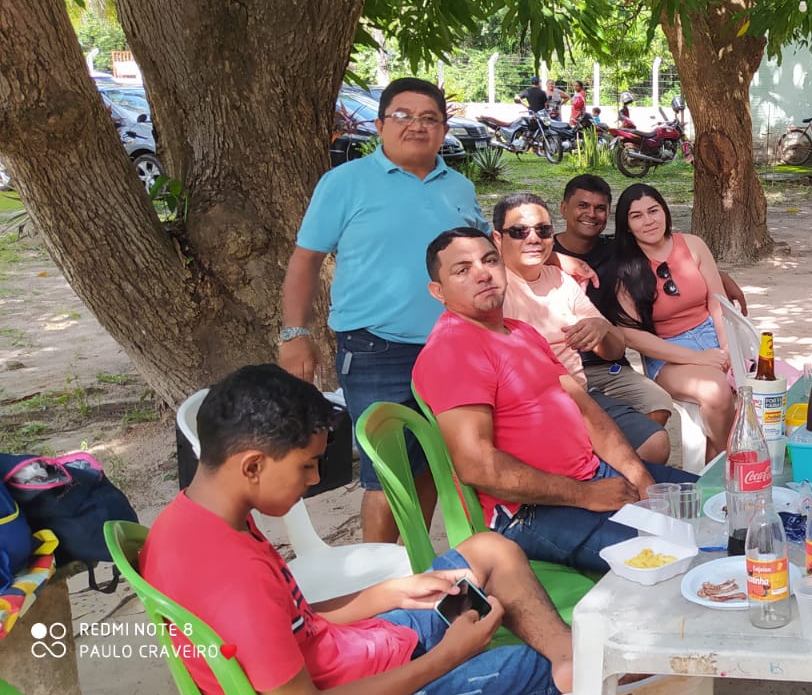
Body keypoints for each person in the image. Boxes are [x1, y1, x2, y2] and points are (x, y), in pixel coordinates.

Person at [142, 364, 574, 695]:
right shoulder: (234, 577)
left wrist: (389, 593)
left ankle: (568, 661)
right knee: (537, 668)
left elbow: (289, 622)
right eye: (307, 466)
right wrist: (449, 656)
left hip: (358, 649)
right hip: (373, 681)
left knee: (490, 551)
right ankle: (570, 670)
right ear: (252, 465)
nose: (314, 479)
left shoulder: (193, 519)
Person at [413, 228, 696, 573]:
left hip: (593, 474)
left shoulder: (521, 331)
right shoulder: (453, 350)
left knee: (714, 503)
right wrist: (586, 495)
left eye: (489, 260)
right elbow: (479, 466)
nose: (482, 274)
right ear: (438, 291)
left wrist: (640, 476)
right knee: (684, 550)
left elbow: (586, 409)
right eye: (462, 270)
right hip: (528, 511)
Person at [279, 77, 476, 543]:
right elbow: (305, 260)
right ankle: (380, 573)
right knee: (387, 476)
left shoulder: (459, 187)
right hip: (376, 352)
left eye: (429, 118)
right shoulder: (345, 183)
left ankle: (414, 560)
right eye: (402, 115)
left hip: (453, 349)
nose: (416, 126)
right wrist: (294, 333)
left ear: (444, 129)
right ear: (380, 124)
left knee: (433, 463)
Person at [492, 192, 670, 464]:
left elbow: (613, 351)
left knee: (655, 442)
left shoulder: (562, 280)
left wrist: (602, 328)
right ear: (497, 238)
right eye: (519, 231)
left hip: (580, 395)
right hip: (531, 409)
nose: (533, 238)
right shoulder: (491, 289)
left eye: (543, 230)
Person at [610, 184, 737, 464]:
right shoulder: (623, 267)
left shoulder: (693, 245)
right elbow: (631, 335)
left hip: (712, 335)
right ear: (627, 225)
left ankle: (713, 469)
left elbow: (718, 302)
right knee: (716, 390)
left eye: (653, 211)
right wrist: (697, 357)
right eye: (637, 216)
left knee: (764, 381)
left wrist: (728, 348)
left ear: (665, 212)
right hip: (667, 352)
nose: (649, 221)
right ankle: (730, 462)